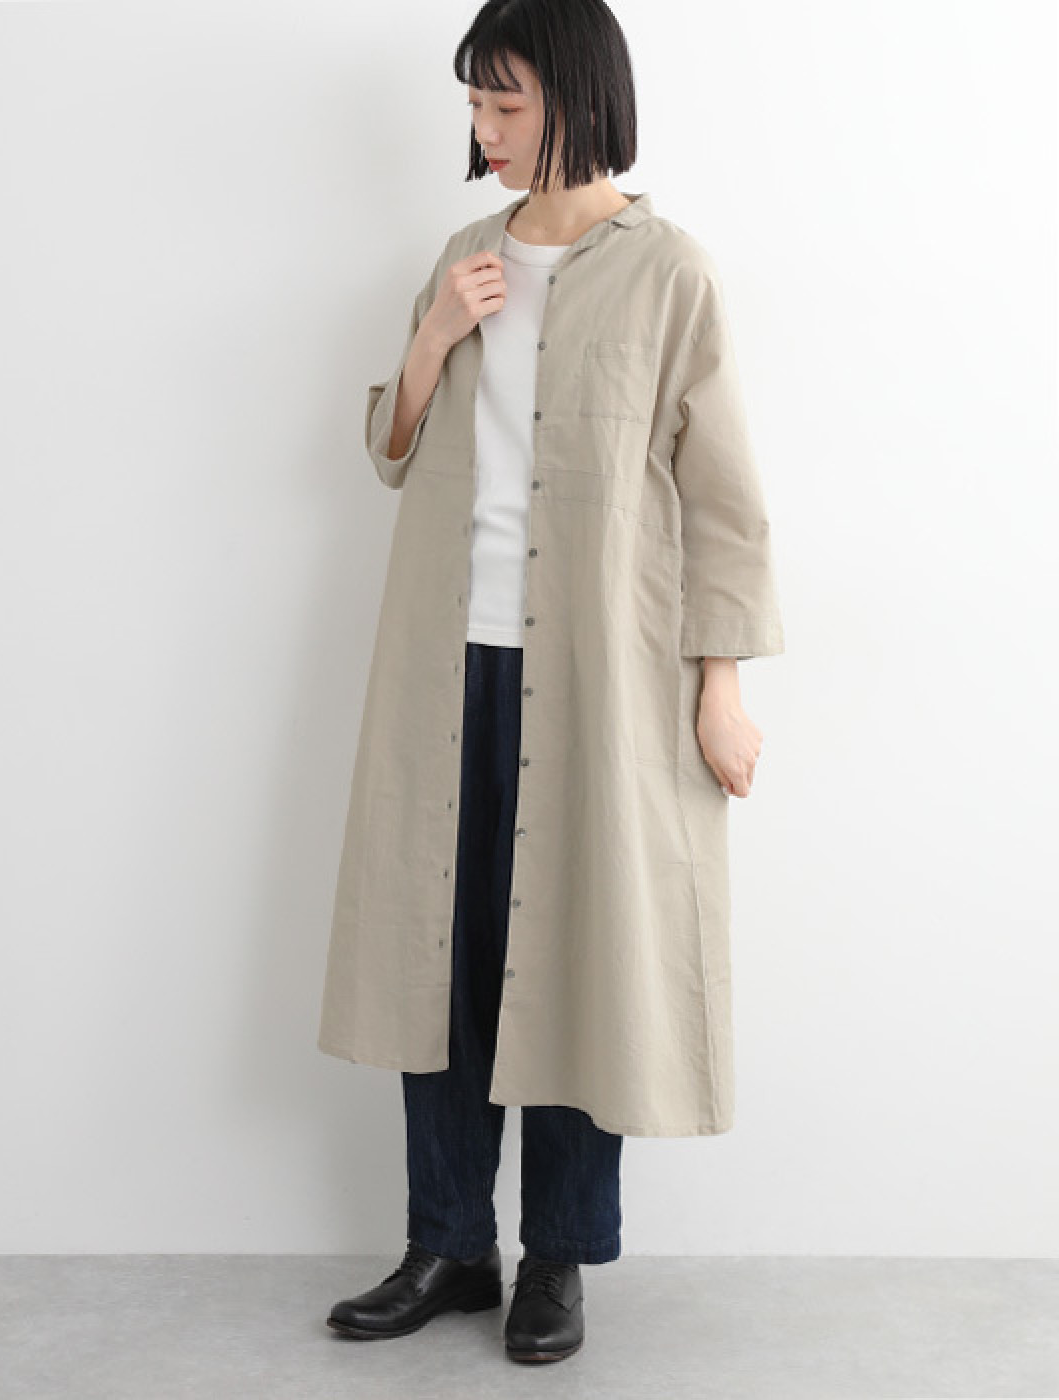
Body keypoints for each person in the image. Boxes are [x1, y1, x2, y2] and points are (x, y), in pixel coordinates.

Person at [321, 0, 785, 1365]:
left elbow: (725, 504)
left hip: (599, 678)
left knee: (580, 956)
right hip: (446, 663)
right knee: (442, 957)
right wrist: (430, 341)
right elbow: (392, 451)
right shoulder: (464, 255)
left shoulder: (669, 271)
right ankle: (449, 1243)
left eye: (505, 102)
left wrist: (720, 686)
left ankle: (558, 1260)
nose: (483, 129)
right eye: (474, 104)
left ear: (577, 95)